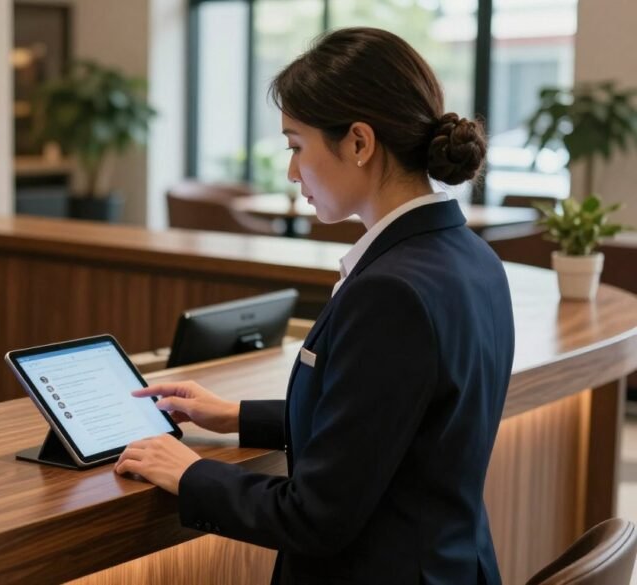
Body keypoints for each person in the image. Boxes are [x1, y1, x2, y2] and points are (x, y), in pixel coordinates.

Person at [115, 27, 513, 585]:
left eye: (296, 146)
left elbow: (317, 516)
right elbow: (392, 421)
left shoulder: (390, 291)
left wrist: (193, 473)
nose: (291, 171)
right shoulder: (471, 256)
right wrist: (236, 416)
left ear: (358, 142)